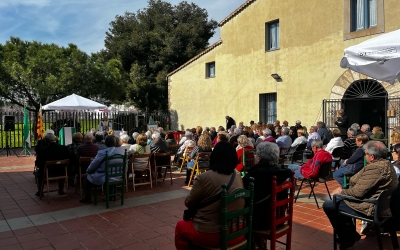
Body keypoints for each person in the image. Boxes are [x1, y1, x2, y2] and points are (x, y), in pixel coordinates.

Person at [323, 141, 398, 249]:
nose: (364, 156)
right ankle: (350, 234)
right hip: (380, 204)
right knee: (338, 203)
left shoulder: (375, 169)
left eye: (365, 154)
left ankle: (349, 236)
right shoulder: (387, 164)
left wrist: (341, 192)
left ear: (372, 156)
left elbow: (357, 193)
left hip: (370, 207)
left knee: (330, 204)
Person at [175, 142, 245, 249]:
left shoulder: (204, 178)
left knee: (180, 227)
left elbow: (188, 202)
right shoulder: (237, 175)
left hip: (213, 234)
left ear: (214, 157)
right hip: (238, 230)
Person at [242, 142, 292, 230]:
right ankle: (260, 243)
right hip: (279, 218)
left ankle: (253, 242)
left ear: (259, 157)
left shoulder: (255, 176)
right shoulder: (281, 174)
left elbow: (245, 198)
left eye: (256, 154)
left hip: (261, 221)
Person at [79, 135, 124, 203]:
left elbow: (93, 165)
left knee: (86, 176)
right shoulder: (121, 151)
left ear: (105, 143)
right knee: (109, 173)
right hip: (118, 175)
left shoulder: (102, 152)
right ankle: (110, 195)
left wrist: (88, 171)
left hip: (105, 176)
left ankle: (88, 197)